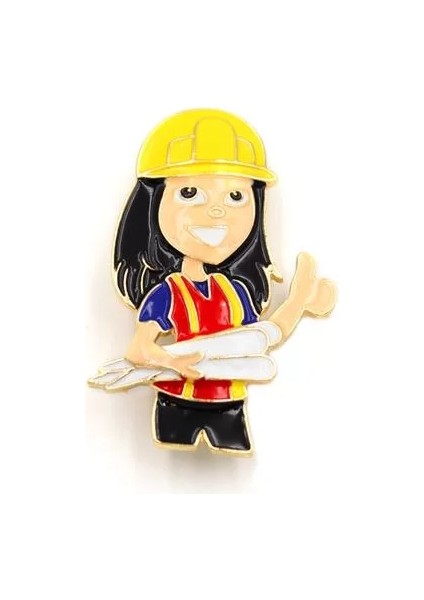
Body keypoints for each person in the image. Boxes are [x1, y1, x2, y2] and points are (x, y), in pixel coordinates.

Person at [113, 108, 336, 455]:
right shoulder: (168, 294)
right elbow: (138, 350)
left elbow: (265, 337)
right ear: (152, 202)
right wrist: (173, 363)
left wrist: (298, 303)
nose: (217, 211)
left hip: (229, 405)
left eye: (236, 197)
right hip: (176, 401)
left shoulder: (235, 292)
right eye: (189, 192)